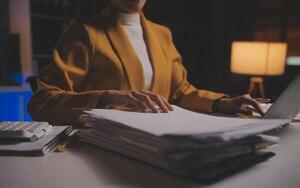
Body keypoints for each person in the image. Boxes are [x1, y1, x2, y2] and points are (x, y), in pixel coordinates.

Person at [28, 0, 266, 125]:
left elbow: (180, 93)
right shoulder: (85, 32)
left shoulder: (162, 34)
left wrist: (221, 103)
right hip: (104, 146)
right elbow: (42, 102)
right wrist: (108, 97)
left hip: (158, 141)